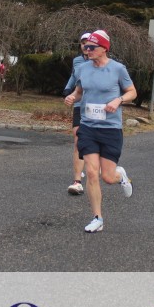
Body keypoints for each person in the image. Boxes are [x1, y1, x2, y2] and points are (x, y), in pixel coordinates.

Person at [63, 30, 135, 233]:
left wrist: (118, 100)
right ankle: (97, 218)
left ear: (104, 48)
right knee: (92, 173)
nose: (87, 50)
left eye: (92, 47)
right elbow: (79, 92)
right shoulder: (82, 68)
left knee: (108, 177)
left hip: (110, 128)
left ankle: (121, 176)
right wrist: (72, 97)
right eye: (86, 47)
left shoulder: (118, 69)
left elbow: (132, 92)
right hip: (88, 127)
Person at [63, 32, 92, 195]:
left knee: (94, 142)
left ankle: (97, 166)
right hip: (80, 104)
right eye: (83, 43)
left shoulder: (103, 63)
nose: (86, 46)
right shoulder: (77, 61)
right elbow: (74, 77)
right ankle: (77, 181)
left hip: (96, 107)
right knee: (77, 139)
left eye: (89, 43)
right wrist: (68, 90)